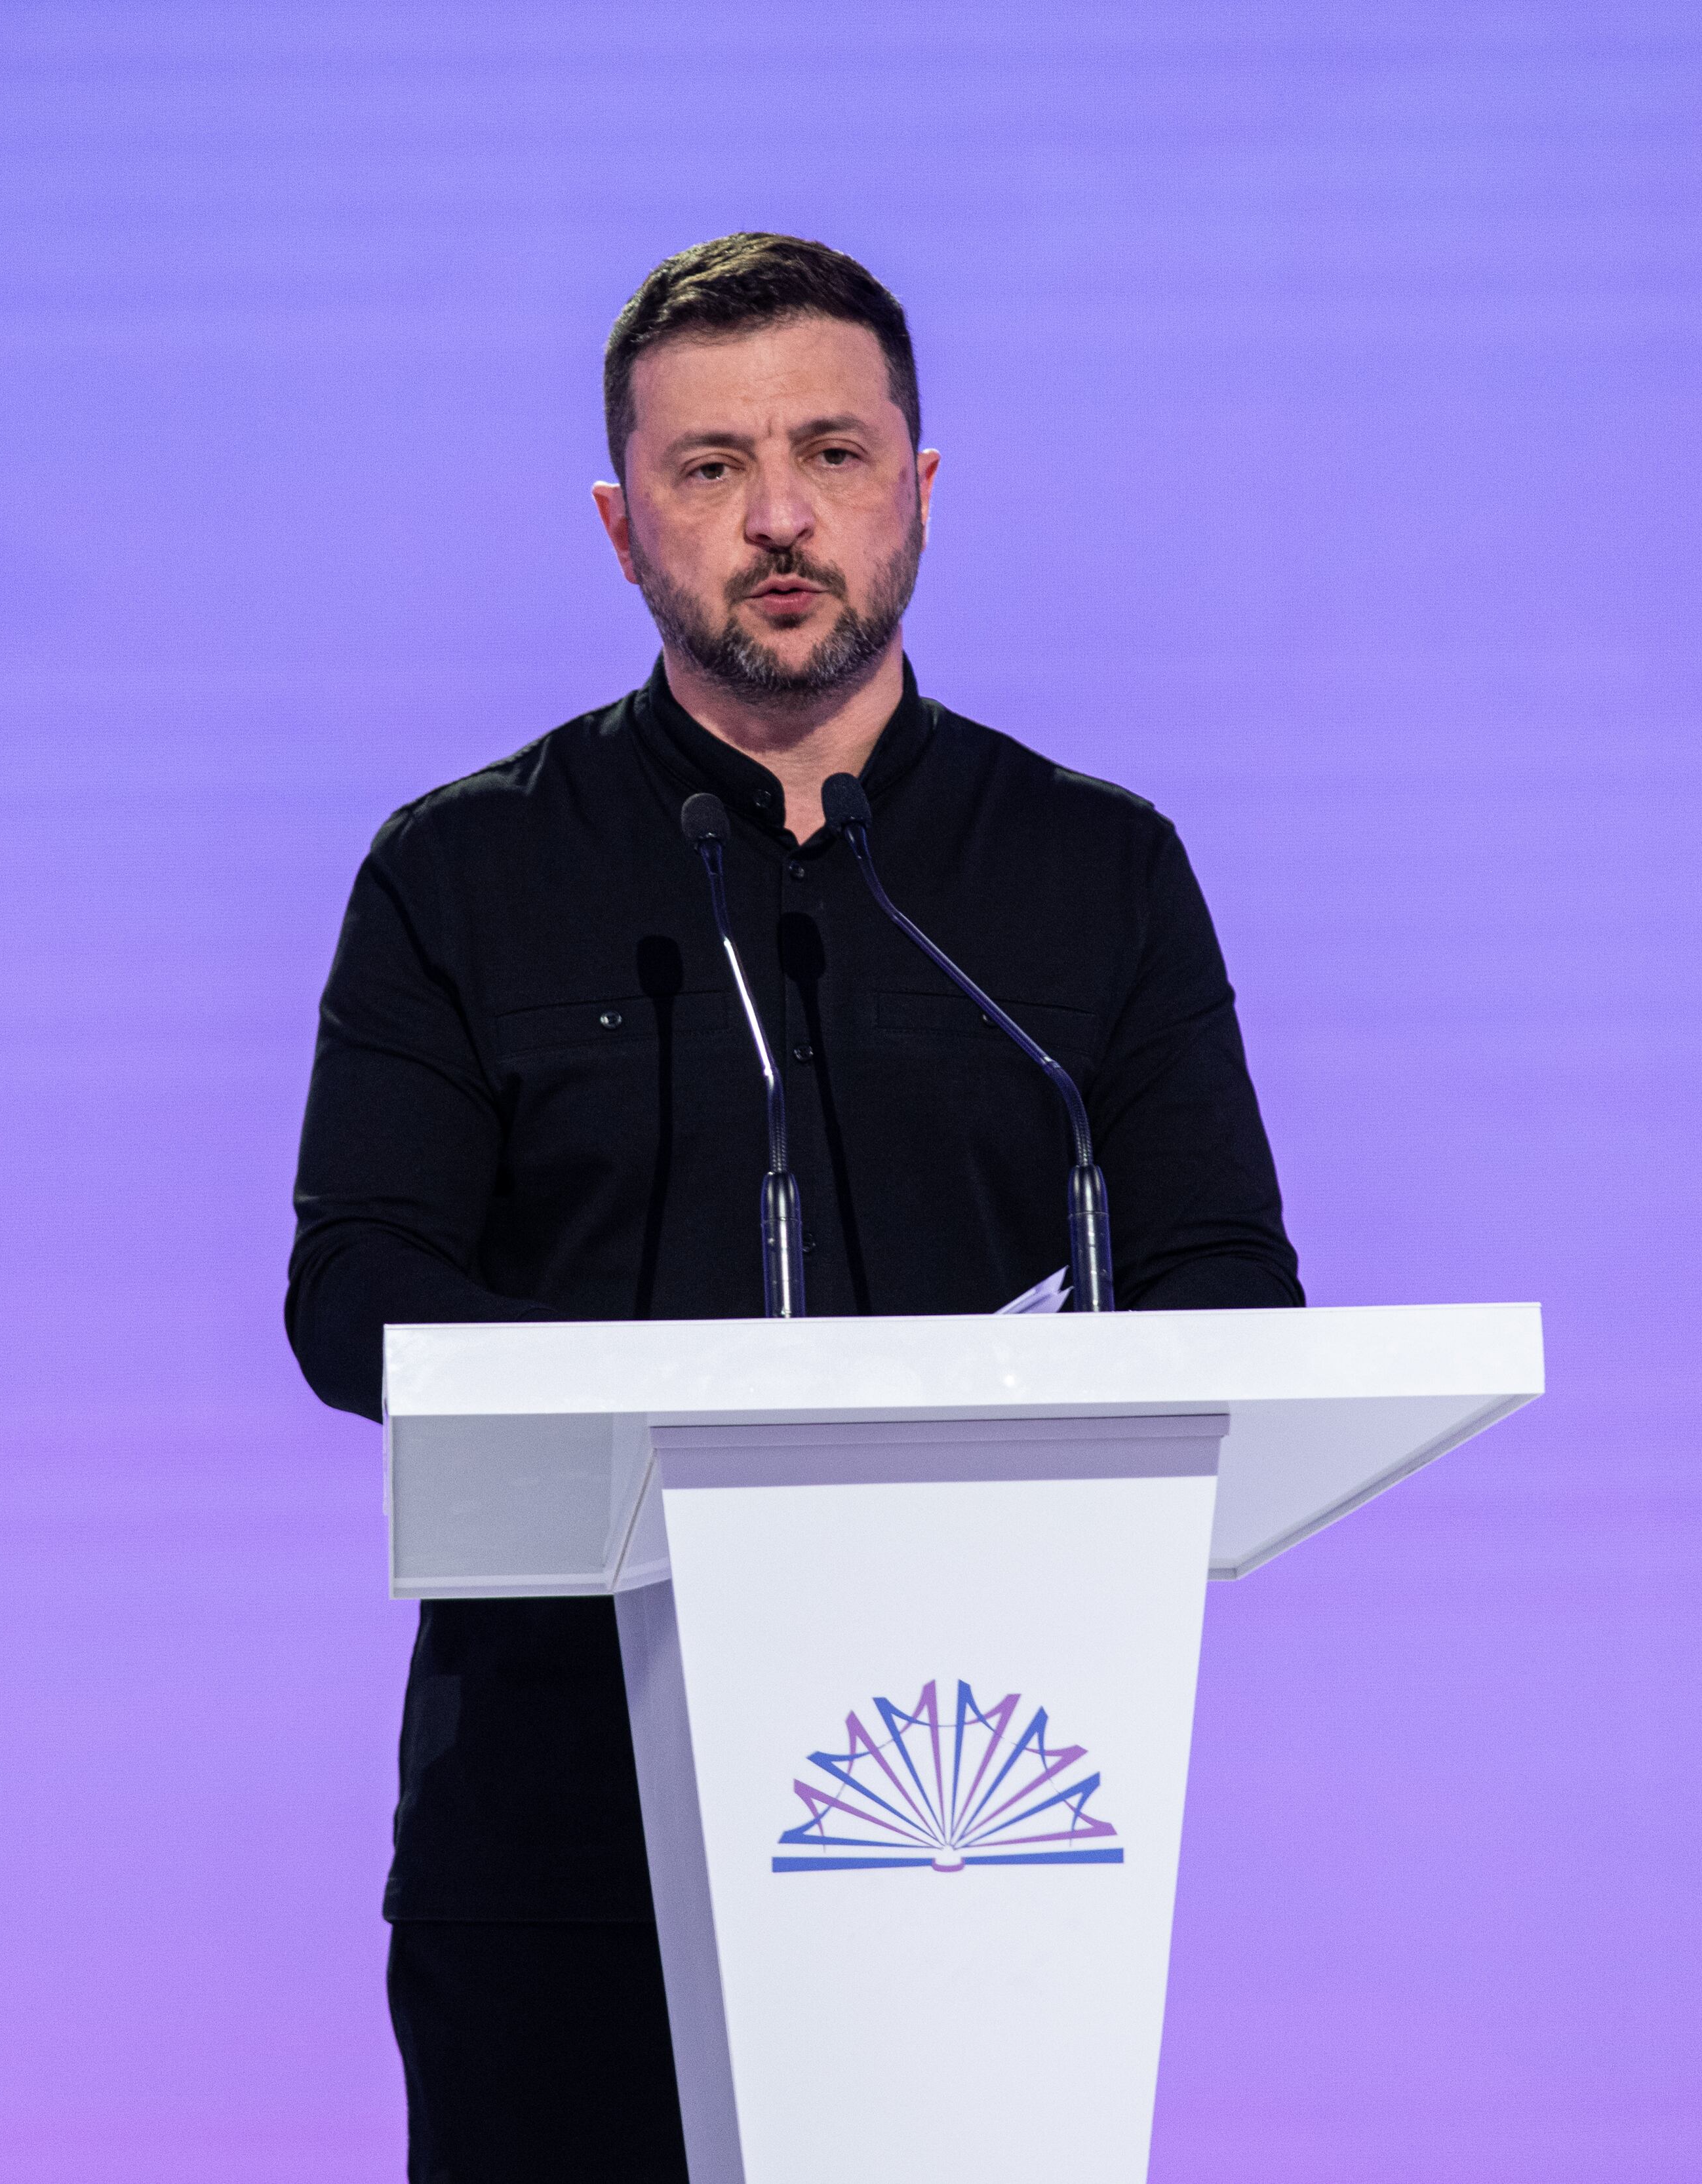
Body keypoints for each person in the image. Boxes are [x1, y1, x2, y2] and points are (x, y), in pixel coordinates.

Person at [283, 231, 1299, 2182]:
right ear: (619, 525)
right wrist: (677, 1423)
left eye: (833, 453)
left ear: (919, 487)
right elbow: (356, 1290)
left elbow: (1226, 1278)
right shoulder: (461, 875)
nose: (777, 516)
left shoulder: (1092, 872)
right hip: (562, 1827)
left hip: (977, 1816)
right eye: (709, 466)